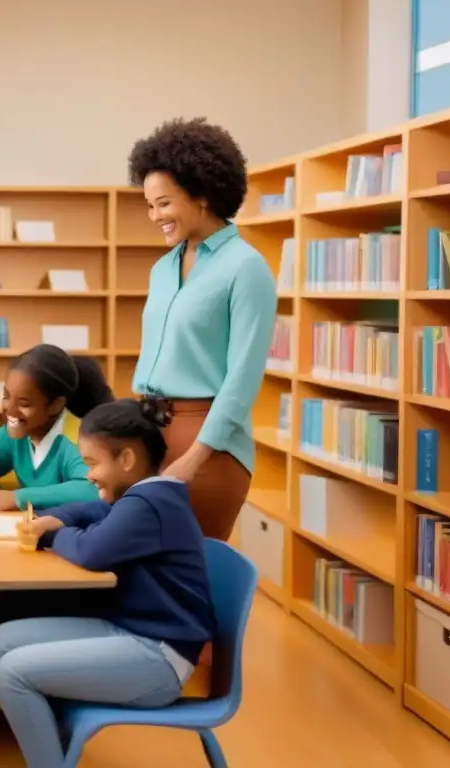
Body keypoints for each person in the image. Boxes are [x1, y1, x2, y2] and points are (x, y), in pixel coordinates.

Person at [0, 396, 216, 768]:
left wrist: (50, 536)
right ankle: (56, 748)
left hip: (158, 659)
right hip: (130, 631)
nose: (87, 474)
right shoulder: (141, 494)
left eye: (92, 463)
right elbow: (92, 509)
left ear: (126, 460)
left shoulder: (150, 504)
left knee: (14, 672)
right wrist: (55, 518)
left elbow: (92, 550)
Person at [127, 116, 277, 541]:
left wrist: (193, 460)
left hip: (207, 445)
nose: (156, 216)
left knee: (188, 583)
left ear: (203, 195)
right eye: (150, 206)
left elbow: (241, 383)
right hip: (149, 430)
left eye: (165, 203)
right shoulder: (162, 268)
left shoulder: (246, 269)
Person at [0, 343, 113, 511]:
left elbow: (93, 489)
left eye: (24, 403)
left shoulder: (77, 440)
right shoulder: (15, 432)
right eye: (6, 397)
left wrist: (19, 497)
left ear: (55, 405)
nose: (10, 410)